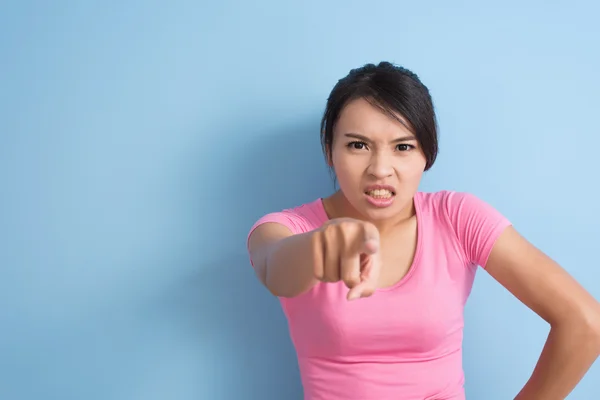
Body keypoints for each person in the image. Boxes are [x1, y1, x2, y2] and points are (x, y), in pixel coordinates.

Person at [245, 61, 600, 400]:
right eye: (358, 145)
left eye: (403, 147)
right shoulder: (288, 228)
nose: (380, 169)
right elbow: (275, 268)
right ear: (329, 151)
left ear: (426, 155)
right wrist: (319, 247)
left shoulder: (458, 218)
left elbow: (586, 324)